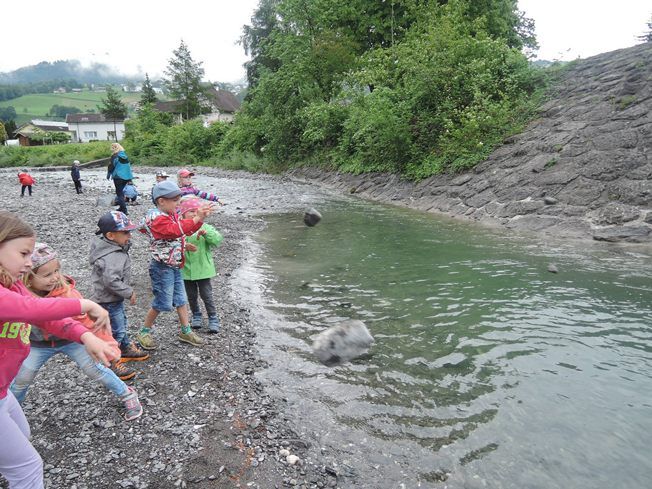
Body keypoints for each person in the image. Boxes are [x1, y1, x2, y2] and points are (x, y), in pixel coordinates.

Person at [0, 210, 114, 489]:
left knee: (22, 435)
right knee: (28, 467)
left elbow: (45, 317)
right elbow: (31, 308)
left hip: (2, 391)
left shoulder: (12, 283)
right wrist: (84, 305)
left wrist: (85, 336)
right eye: (23, 254)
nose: (29, 263)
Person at [10, 243, 143, 421]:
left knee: (95, 370)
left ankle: (127, 394)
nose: (55, 278)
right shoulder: (16, 296)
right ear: (27, 278)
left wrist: (109, 346)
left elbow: (90, 323)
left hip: (71, 340)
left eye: (57, 271)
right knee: (22, 378)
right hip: (37, 344)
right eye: (47, 274)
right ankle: (10, 412)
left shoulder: (68, 294)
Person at [137, 181, 214, 350]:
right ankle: (143, 331)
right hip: (161, 267)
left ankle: (185, 331)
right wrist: (196, 217)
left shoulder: (169, 214)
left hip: (175, 265)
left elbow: (183, 231)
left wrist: (200, 220)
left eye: (179, 200)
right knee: (162, 302)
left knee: (181, 299)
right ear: (161, 201)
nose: (178, 204)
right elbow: (174, 230)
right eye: (175, 200)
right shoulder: (157, 218)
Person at [90, 211, 150, 380]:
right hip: (108, 299)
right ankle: (111, 361)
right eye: (125, 232)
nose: (130, 236)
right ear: (110, 235)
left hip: (109, 298)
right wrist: (128, 291)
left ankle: (124, 347)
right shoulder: (113, 256)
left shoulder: (107, 246)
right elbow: (111, 281)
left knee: (120, 322)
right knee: (115, 330)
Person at [179, 198, 224, 333]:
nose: (194, 214)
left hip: (203, 269)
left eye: (196, 211)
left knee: (206, 295)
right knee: (191, 295)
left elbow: (217, 240)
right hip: (186, 270)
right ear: (183, 214)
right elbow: (173, 243)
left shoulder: (204, 226)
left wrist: (207, 234)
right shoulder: (181, 228)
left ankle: (213, 317)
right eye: (190, 211)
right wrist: (184, 246)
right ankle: (196, 315)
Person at [107, 143, 133, 215]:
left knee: (119, 193)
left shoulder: (114, 156)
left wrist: (109, 174)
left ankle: (124, 210)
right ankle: (121, 207)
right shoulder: (125, 156)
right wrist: (130, 178)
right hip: (126, 177)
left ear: (114, 148)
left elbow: (111, 166)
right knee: (121, 191)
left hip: (118, 176)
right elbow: (128, 167)